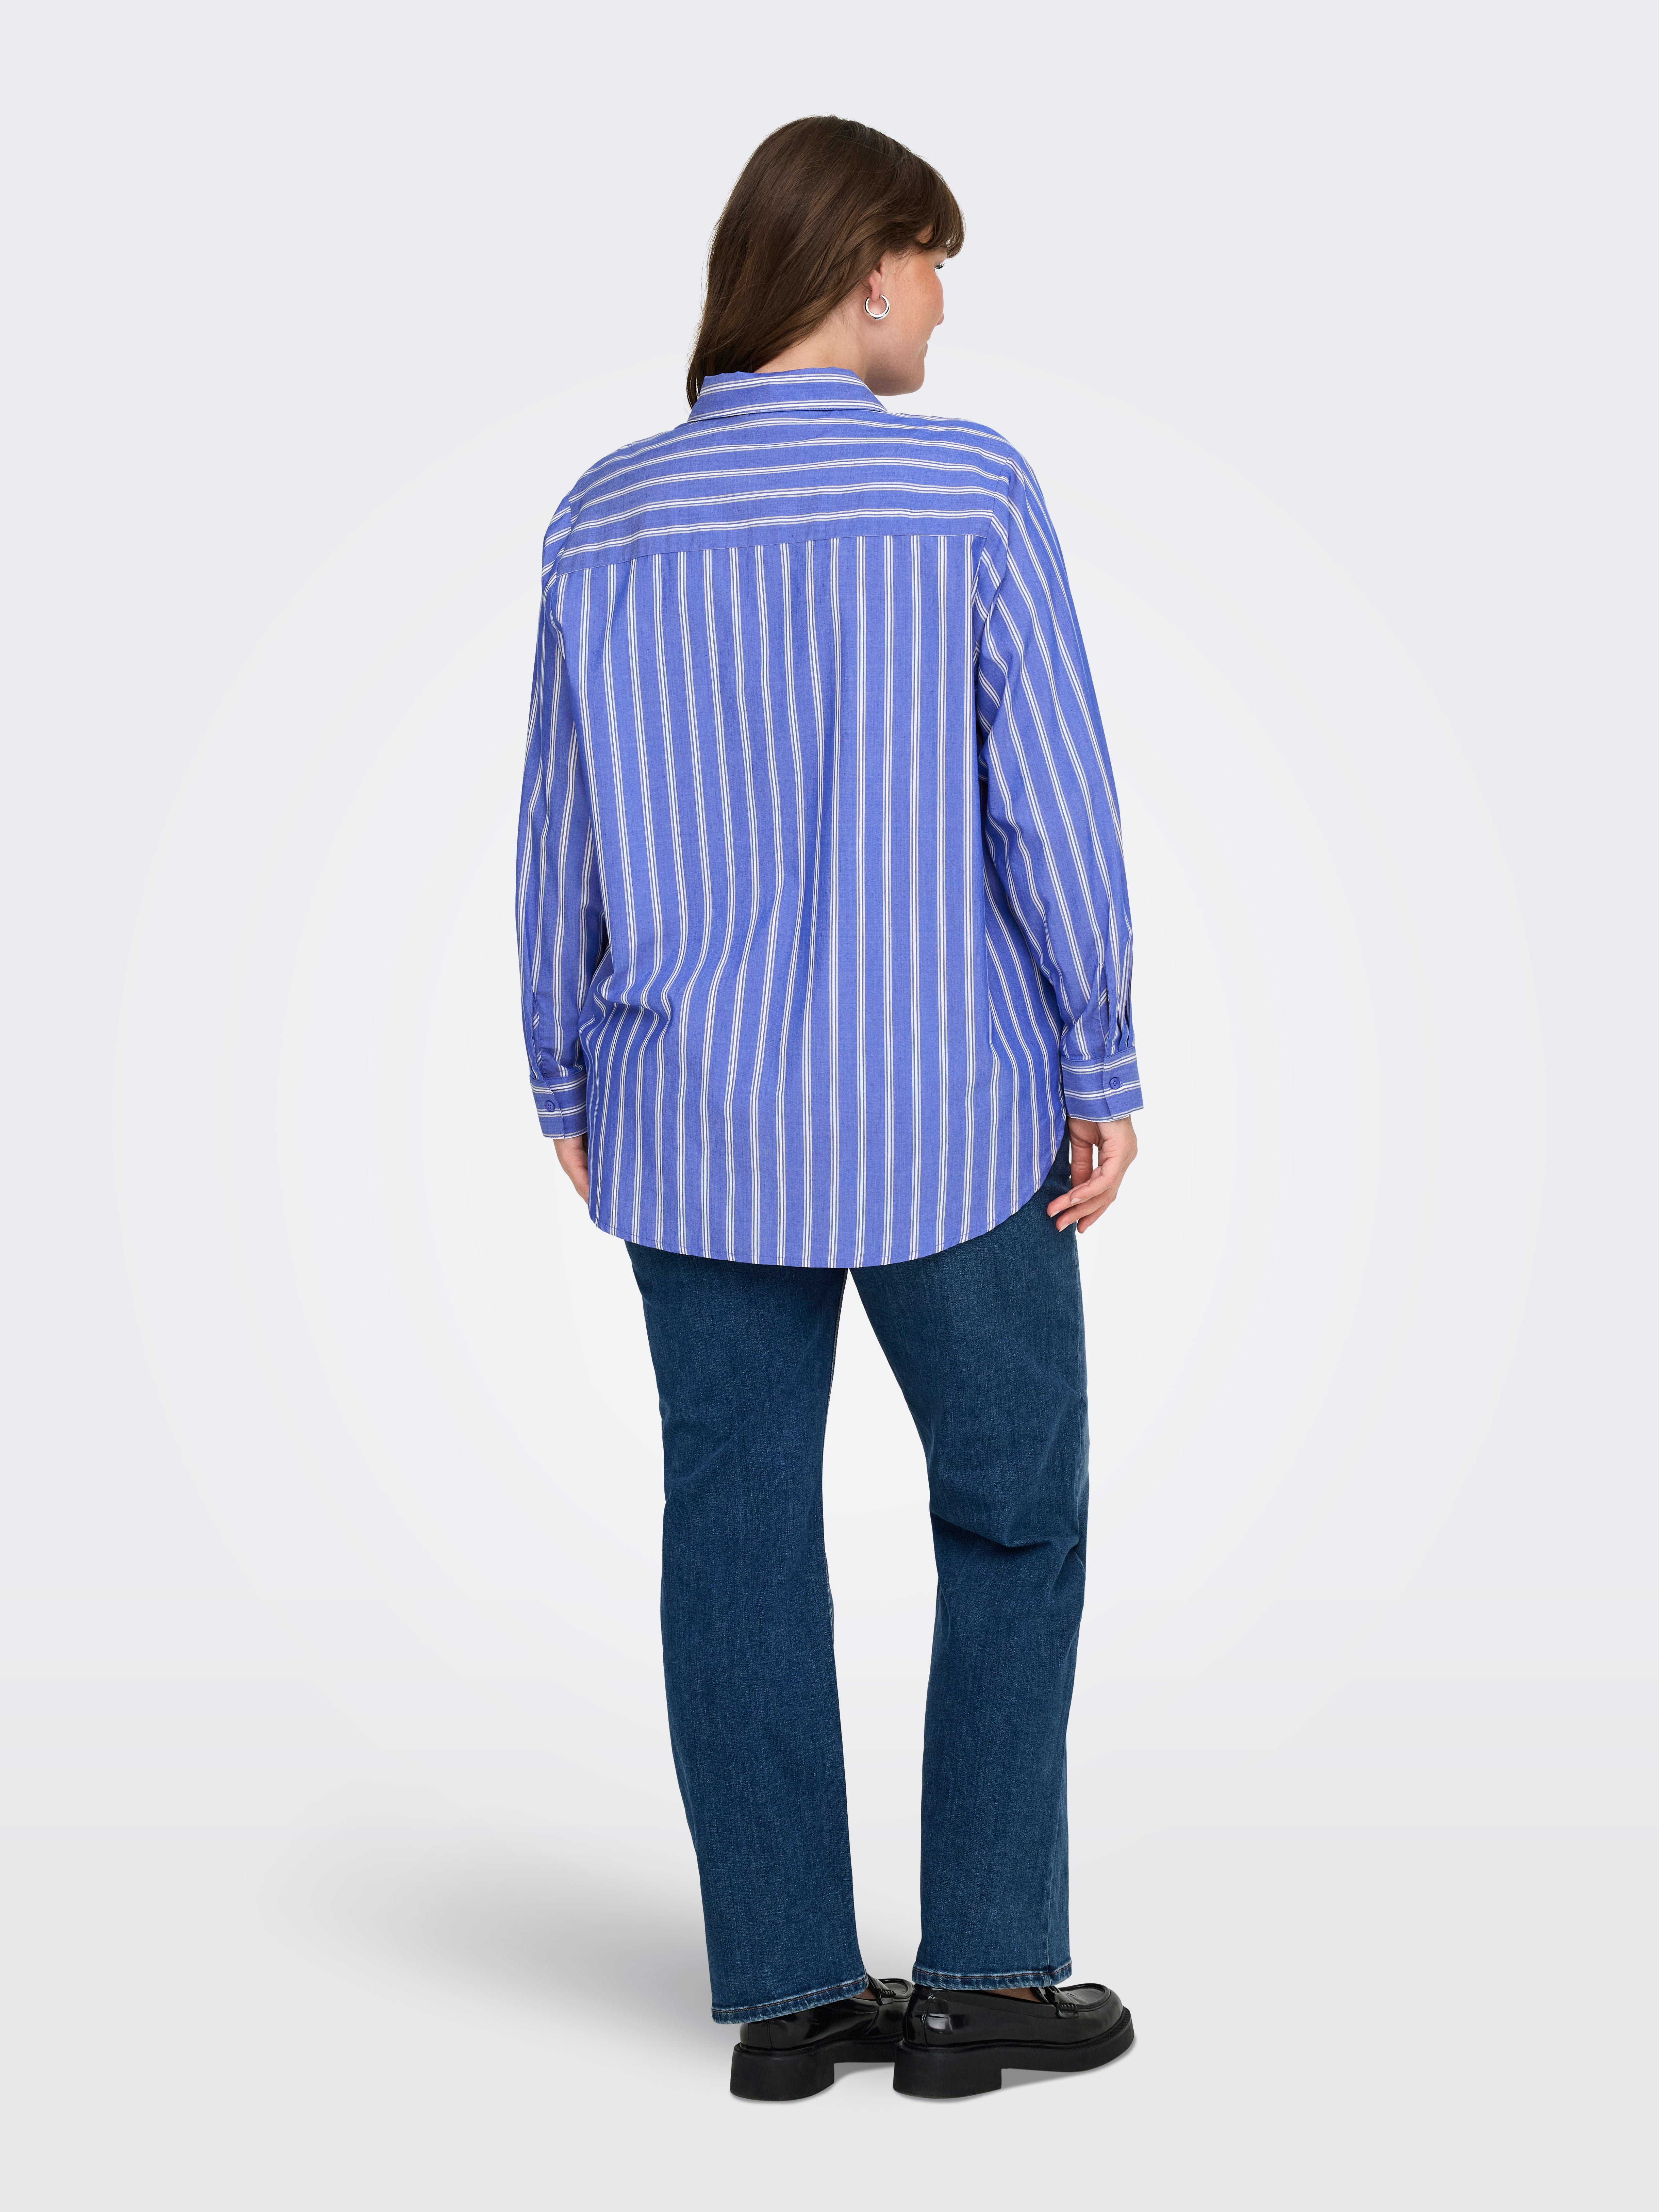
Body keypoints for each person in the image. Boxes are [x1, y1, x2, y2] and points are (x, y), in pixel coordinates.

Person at [515, 115, 1142, 2101]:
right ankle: (986, 1974)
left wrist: (562, 1064)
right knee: (1014, 1511)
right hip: (953, 1111)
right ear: (867, 265)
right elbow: (1054, 798)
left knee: (738, 1528)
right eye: (934, 260)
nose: (943, 300)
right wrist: (1102, 1056)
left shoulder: (608, 514)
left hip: (690, 1118)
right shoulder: (967, 489)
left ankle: (790, 1996)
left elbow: (558, 823)